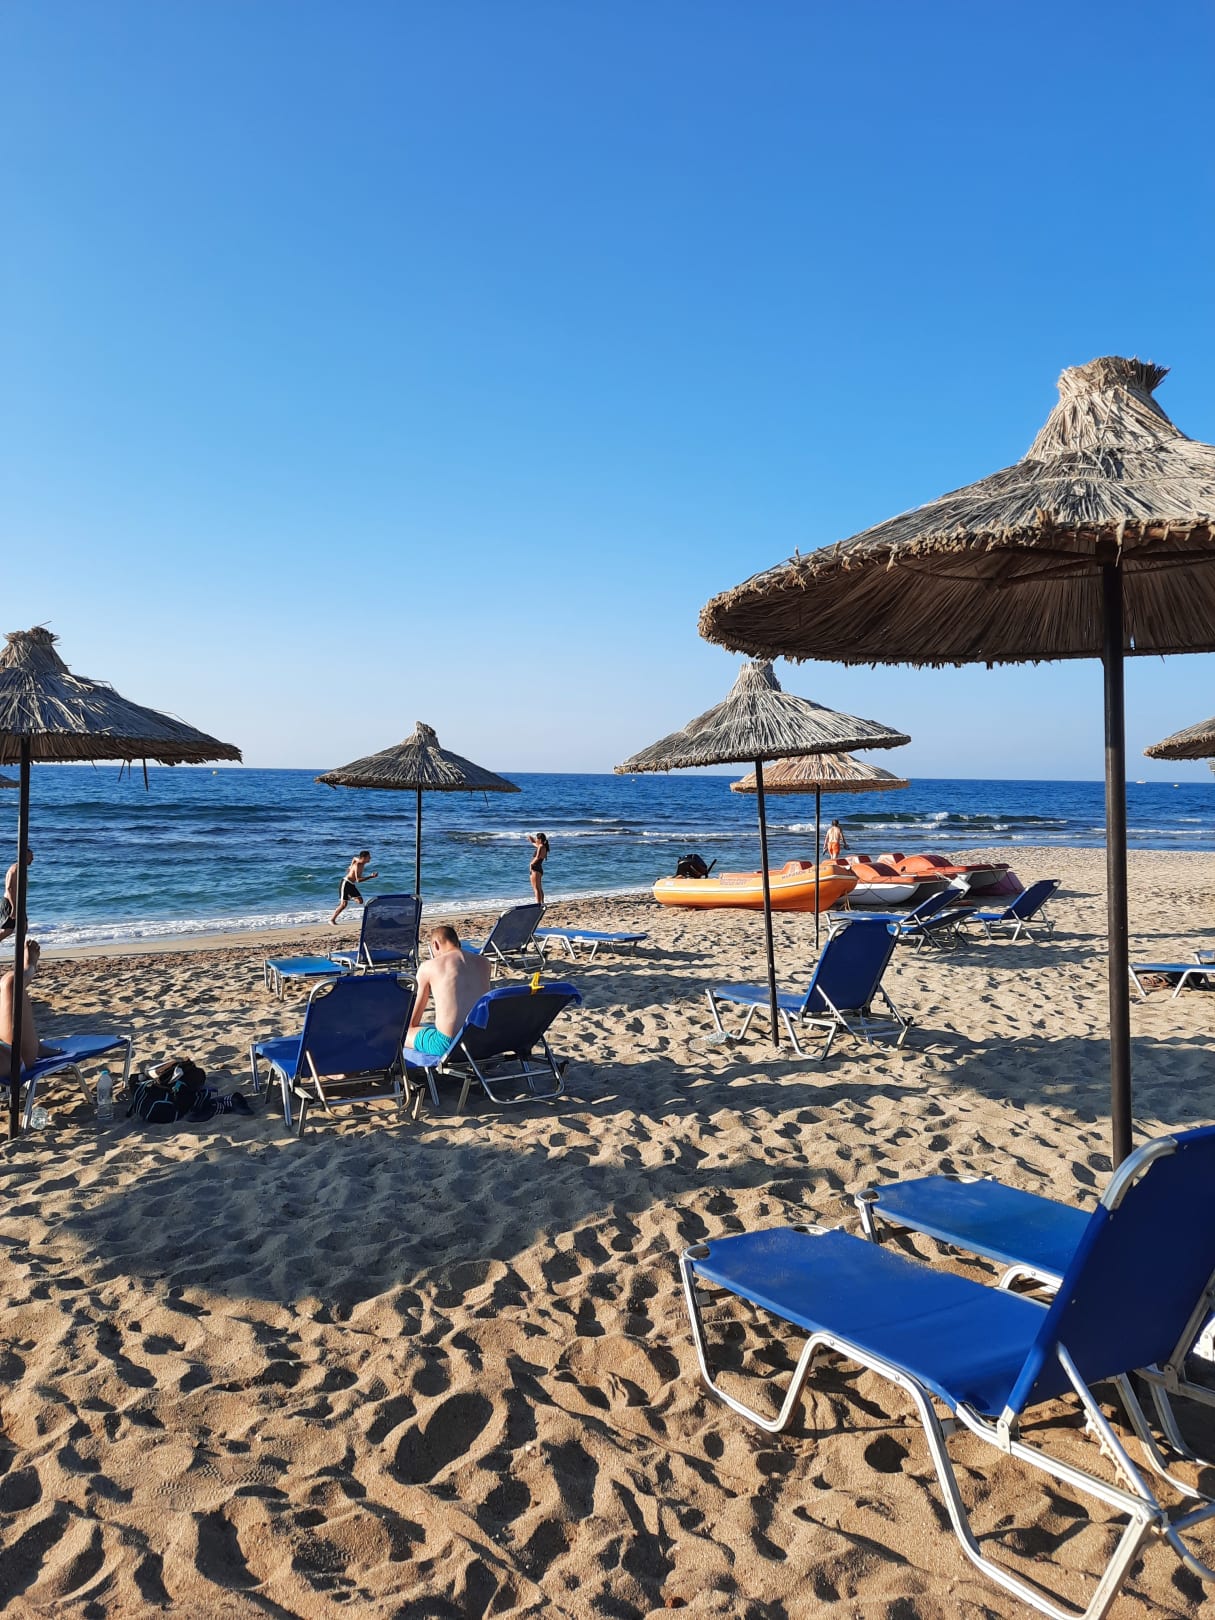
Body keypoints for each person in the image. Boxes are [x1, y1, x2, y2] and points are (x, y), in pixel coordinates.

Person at [405, 925, 491, 1057]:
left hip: (449, 1044)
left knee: (405, 1034)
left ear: (435, 945)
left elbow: (413, 1021)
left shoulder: (428, 967)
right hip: (482, 1041)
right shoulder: (484, 963)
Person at [0, 939, 60, 1069]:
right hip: (15, 1058)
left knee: (10, 983)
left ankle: (28, 969)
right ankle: (29, 969)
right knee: (12, 983)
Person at [330, 849, 378, 925]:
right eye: (369, 857)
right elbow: (358, 880)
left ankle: (350, 896)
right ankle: (332, 920)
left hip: (351, 884)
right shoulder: (358, 865)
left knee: (360, 901)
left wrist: (350, 866)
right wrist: (371, 876)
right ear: (364, 858)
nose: (370, 858)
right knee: (343, 905)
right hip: (346, 883)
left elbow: (354, 858)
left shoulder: (361, 861)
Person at [0, 847, 33, 944]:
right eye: (30, 856)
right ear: (24, 856)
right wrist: (14, 907)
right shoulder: (15, 868)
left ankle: (20, 950)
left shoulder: (22, 869)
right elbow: (9, 888)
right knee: (7, 930)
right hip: (10, 902)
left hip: (18, 903)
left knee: (23, 927)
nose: (32, 859)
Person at [527, 832, 550, 905]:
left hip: (535, 867)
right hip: (539, 868)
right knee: (539, 888)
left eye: (537, 838)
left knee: (536, 888)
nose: (536, 839)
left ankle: (538, 904)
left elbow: (537, 857)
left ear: (539, 839)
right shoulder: (544, 846)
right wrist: (532, 840)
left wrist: (531, 864)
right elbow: (535, 844)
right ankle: (542, 903)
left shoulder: (540, 846)